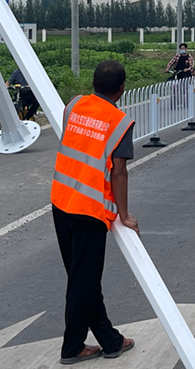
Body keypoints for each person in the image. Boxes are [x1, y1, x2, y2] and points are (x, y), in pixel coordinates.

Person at [51, 60, 138, 364]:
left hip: (61, 200)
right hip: (89, 210)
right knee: (83, 280)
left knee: (82, 278)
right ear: (122, 88)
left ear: (93, 84)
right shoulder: (119, 122)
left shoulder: (74, 105)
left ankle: (110, 340)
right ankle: (72, 347)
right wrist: (124, 215)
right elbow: (119, 172)